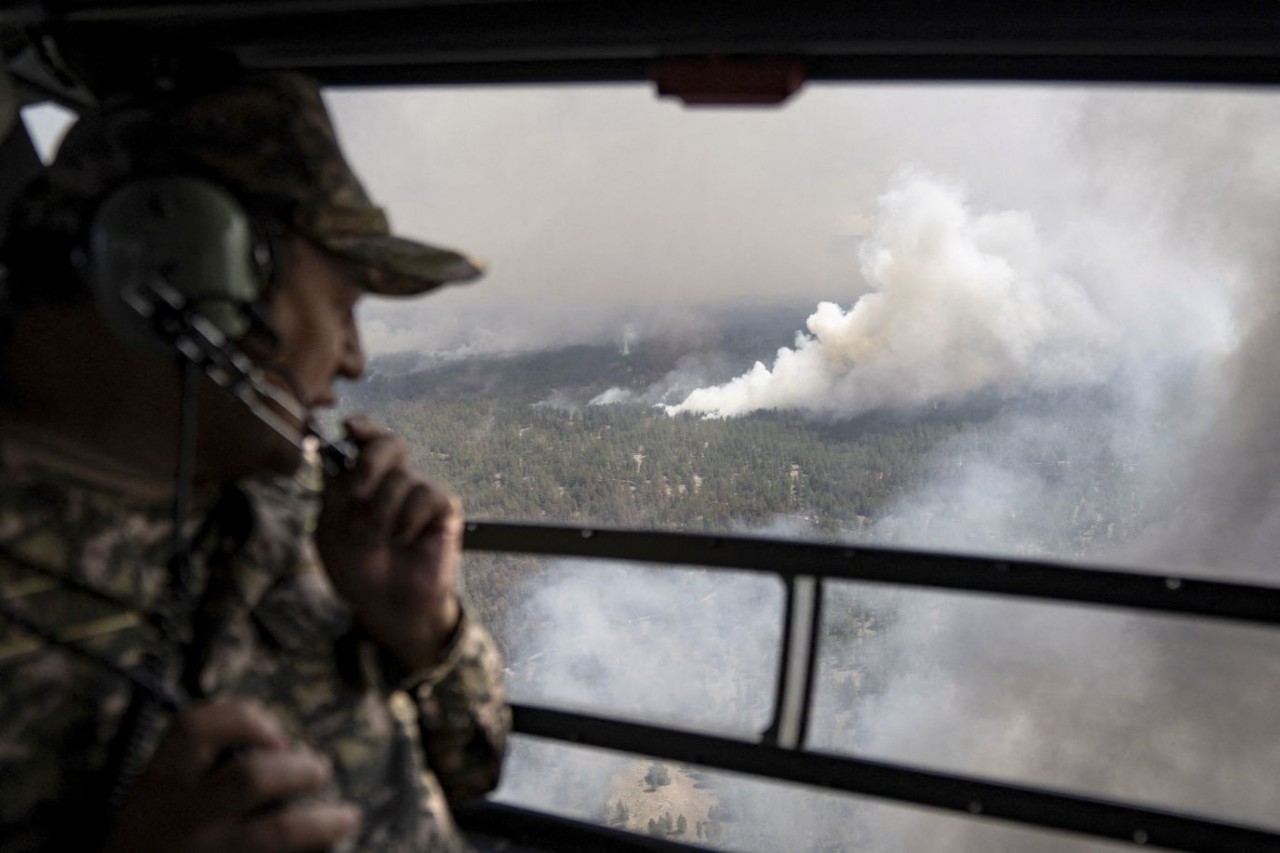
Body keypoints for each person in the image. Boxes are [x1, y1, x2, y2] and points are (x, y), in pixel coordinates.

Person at [0, 71, 508, 851]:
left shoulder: (304, 513)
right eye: (342, 306)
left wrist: (422, 630)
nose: (354, 359)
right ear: (182, 275)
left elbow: (474, 769)